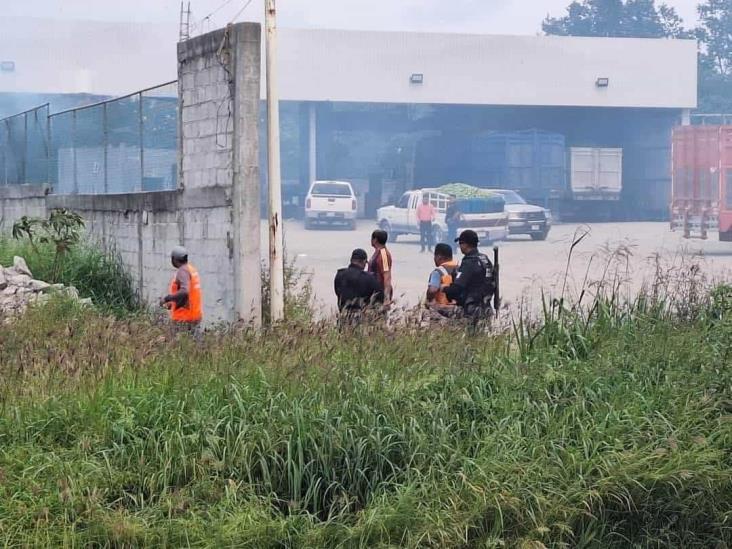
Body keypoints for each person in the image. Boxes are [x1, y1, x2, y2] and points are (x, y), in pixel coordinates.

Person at [444, 230, 494, 327]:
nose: (459, 246)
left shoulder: (469, 262)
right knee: (483, 339)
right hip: (486, 308)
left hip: (472, 310)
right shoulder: (485, 259)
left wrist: (444, 289)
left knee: (472, 339)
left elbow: (456, 288)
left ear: (466, 244)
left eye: (460, 243)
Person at [159, 246, 203, 333]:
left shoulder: (182, 271)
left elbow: (184, 291)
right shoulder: (191, 269)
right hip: (194, 315)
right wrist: (172, 304)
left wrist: (167, 298)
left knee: (177, 345)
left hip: (183, 319)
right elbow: (189, 295)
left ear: (174, 260)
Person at [334, 248, 380, 325]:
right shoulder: (368, 278)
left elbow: (337, 292)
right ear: (363, 261)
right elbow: (379, 296)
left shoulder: (339, 274)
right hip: (360, 318)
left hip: (342, 316)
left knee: (342, 336)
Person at [425, 243, 459, 318]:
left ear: (439, 257)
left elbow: (432, 290)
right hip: (458, 311)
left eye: (435, 256)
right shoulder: (460, 268)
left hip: (441, 311)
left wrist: (429, 301)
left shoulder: (438, 272)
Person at [368, 229, 393, 305]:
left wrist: (386, 297)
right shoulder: (377, 252)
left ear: (375, 240)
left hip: (379, 290)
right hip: (373, 290)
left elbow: (387, 276)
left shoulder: (384, 255)